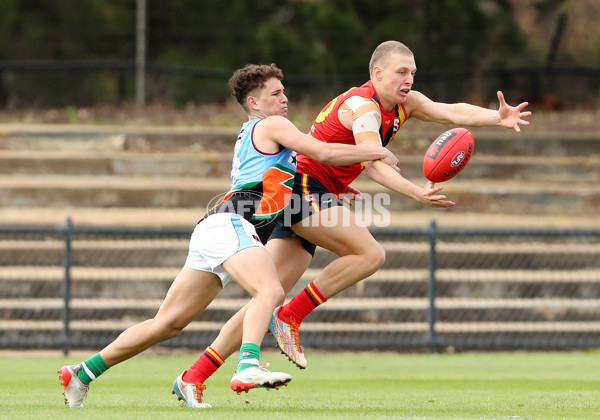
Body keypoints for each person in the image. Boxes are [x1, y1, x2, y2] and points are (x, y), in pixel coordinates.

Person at [175, 39, 532, 391]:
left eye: (413, 72)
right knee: (369, 254)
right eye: (401, 72)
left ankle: (195, 375)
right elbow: (373, 164)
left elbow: (450, 112)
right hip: (303, 188)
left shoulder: (406, 102)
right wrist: (416, 191)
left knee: (269, 295)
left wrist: (497, 118)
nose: (409, 79)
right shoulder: (365, 107)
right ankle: (291, 316)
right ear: (377, 73)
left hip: (305, 192)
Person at [58, 63, 398, 409]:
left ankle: (82, 373)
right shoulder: (273, 124)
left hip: (215, 228)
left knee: (168, 323)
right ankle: (248, 365)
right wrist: (376, 150)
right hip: (232, 224)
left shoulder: (262, 130)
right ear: (254, 102)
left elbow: (290, 175)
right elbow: (324, 152)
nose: (285, 99)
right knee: (270, 290)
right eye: (275, 93)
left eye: (284, 91)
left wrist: (340, 186)